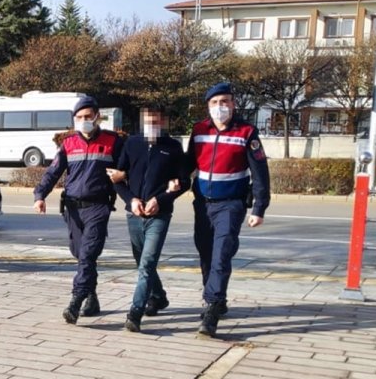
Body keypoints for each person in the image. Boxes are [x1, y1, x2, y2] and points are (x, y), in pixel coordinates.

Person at [187, 81, 270, 338]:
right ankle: (217, 298)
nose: (220, 106)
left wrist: (259, 208)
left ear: (233, 104)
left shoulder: (246, 132)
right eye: (214, 102)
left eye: (224, 101)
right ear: (208, 106)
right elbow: (187, 163)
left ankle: (211, 309)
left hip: (231, 204)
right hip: (203, 203)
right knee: (206, 254)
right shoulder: (199, 130)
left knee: (221, 254)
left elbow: (260, 173)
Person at [34, 95, 124, 324]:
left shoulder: (113, 141)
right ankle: (92, 298)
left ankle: (76, 300)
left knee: (87, 254)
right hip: (73, 208)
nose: (84, 120)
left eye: (88, 116)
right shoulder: (69, 143)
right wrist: (40, 195)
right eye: (79, 117)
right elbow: (53, 172)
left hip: (98, 206)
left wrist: (125, 177)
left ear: (97, 117)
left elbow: (128, 167)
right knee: (80, 254)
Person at [112, 107, 189, 333]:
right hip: (134, 214)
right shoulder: (132, 144)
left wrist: (162, 199)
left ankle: (135, 313)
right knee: (142, 262)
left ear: (164, 122)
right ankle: (158, 296)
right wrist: (131, 200)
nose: (152, 126)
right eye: (148, 121)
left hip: (159, 215)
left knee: (147, 263)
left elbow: (184, 182)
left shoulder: (173, 147)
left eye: (156, 121)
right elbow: (117, 178)